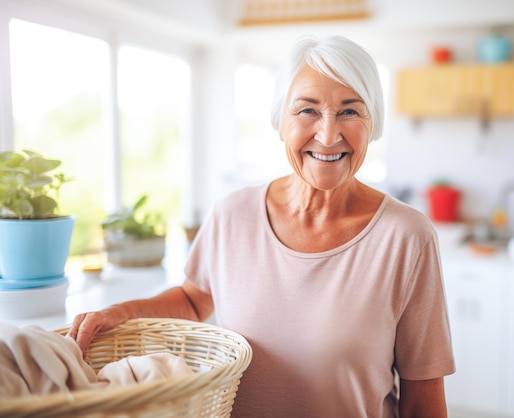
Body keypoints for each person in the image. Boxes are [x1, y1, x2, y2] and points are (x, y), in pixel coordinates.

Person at [68, 35, 455, 417]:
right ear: (280, 121)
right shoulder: (232, 215)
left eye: (350, 111)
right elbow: (193, 299)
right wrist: (120, 313)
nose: (328, 133)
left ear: (374, 124)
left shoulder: (406, 237)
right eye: (307, 110)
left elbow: (423, 396)